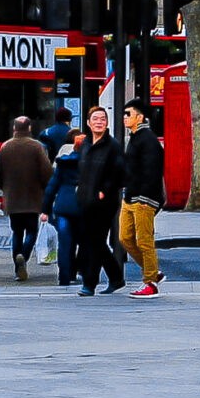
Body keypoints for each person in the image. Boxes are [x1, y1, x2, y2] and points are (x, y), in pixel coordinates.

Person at [74, 106, 126, 296]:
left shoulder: (113, 146)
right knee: (91, 241)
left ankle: (89, 283)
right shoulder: (86, 144)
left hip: (104, 202)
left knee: (95, 242)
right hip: (85, 200)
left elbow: (120, 172)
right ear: (88, 123)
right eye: (95, 118)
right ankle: (116, 277)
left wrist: (104, 190)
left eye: (102, 119)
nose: (99, 122)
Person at [0, 116, 52, 282]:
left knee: (16, 232)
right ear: (29, 128)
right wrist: (43, 189)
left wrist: (6, 189)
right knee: (32, 231)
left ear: (14, 128)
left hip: (13, 199)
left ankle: (17, 263)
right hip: (33, 198)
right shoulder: (37, 147)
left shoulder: (6, 147)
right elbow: (47, 172)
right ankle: (24, 256)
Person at [119, 98, 165, 297]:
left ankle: (150, 283)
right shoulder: (135, 137)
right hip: (129, 196)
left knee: (145, 241)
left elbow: (152, 171)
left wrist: (145, 197)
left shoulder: (148, 139)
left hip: (144, 198)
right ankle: (153, 271)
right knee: (124, 238)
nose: (124, 118)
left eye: (128, 114)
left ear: (140, 116)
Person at [45, 128, 84, 288]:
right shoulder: (90, 165)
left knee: (65, 243)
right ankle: (80, 269)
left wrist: (45, 208)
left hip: (64, 205)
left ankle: (64, 276)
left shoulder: (63, 163)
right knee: (84, 242)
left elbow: (52, 186)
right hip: (82, 206)